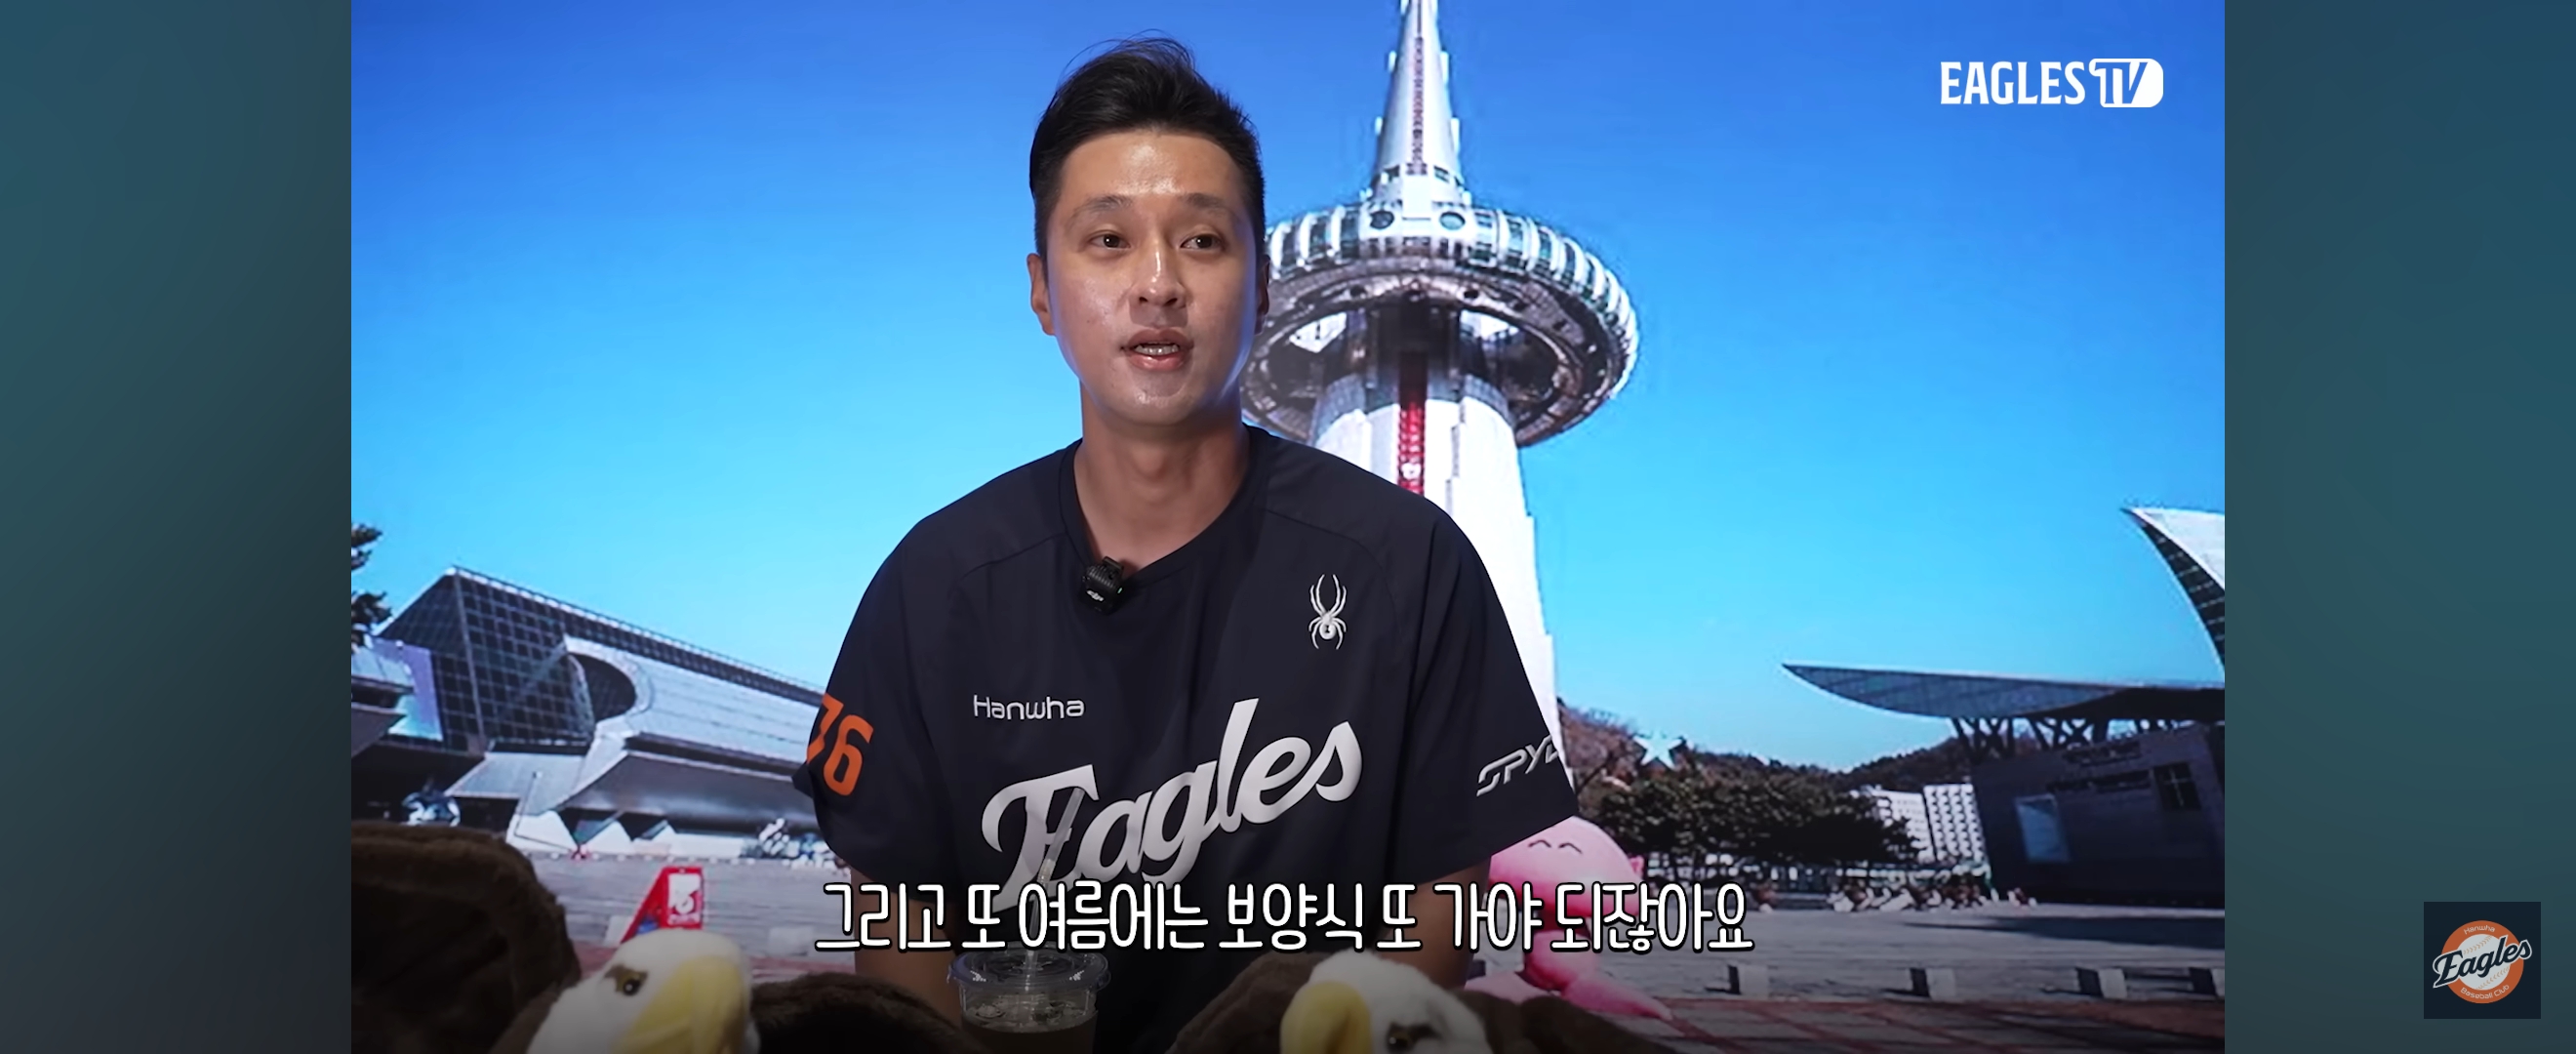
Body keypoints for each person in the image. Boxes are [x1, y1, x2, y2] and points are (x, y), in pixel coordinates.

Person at [791, 38, 1578, 1053]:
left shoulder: (1411, 568)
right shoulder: (939, 584)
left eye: (1202, 241)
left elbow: (1437, 916)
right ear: (1043, 291)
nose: (1157, 284)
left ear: (1261, 286)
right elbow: (896, 917)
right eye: (1107, 240)